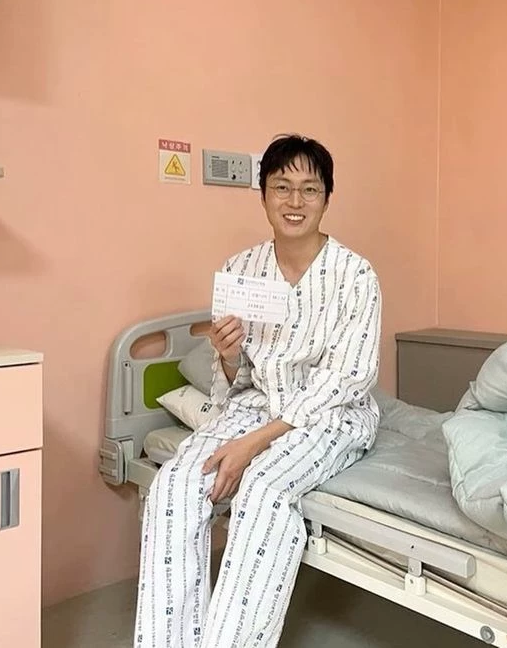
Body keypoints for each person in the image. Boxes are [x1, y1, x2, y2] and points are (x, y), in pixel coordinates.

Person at [134, 134, 382, 648]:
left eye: (309, 189)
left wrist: (252, 445)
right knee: (174, 486)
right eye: (281, 187)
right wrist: (227, 356)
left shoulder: (356, 276)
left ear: (327, 198)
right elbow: (239, 379)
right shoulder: (240, 271)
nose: (295, 201)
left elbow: (347, 376)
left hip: (331, 413)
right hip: (256, 404)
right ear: (263, 194)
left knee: (263, 491)